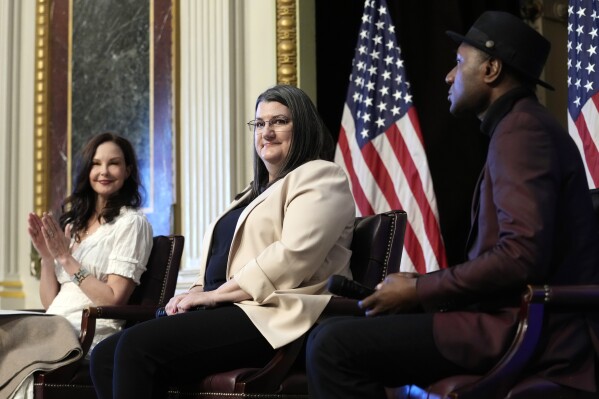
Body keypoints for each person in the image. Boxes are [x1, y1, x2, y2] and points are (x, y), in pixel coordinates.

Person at [306, 11, 599, 398]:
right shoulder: (517, 126)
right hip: (501, 317)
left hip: (526, 329)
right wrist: (420, 286)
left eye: (460, 63)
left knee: (332, 347)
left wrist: (422, 289)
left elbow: (520, 255)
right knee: (328, 333)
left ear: (492, 69)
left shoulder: (522, 131)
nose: (448, 76)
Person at [89, 84, 356, 398]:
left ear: (304, 127)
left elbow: (292, 258)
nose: (266, 132)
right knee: (105, 355)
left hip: (275, 314)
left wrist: (214, 297)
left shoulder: (321, 176)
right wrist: (197, 291)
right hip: (230, 309)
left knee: (136, 347)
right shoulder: (250, 193)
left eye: (279, 121)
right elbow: (222, 260)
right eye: (259, 123)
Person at [7, 132, 153, 399]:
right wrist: (48, 258)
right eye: (96, 163)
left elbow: (115, 299)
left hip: (87, 332)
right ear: (87, 170)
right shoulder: (74, 226)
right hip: (55, 322)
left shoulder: (131, 223)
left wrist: (67, 259)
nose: (104, 171)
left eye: (114, 163)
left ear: (128, 170)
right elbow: (51, 301)